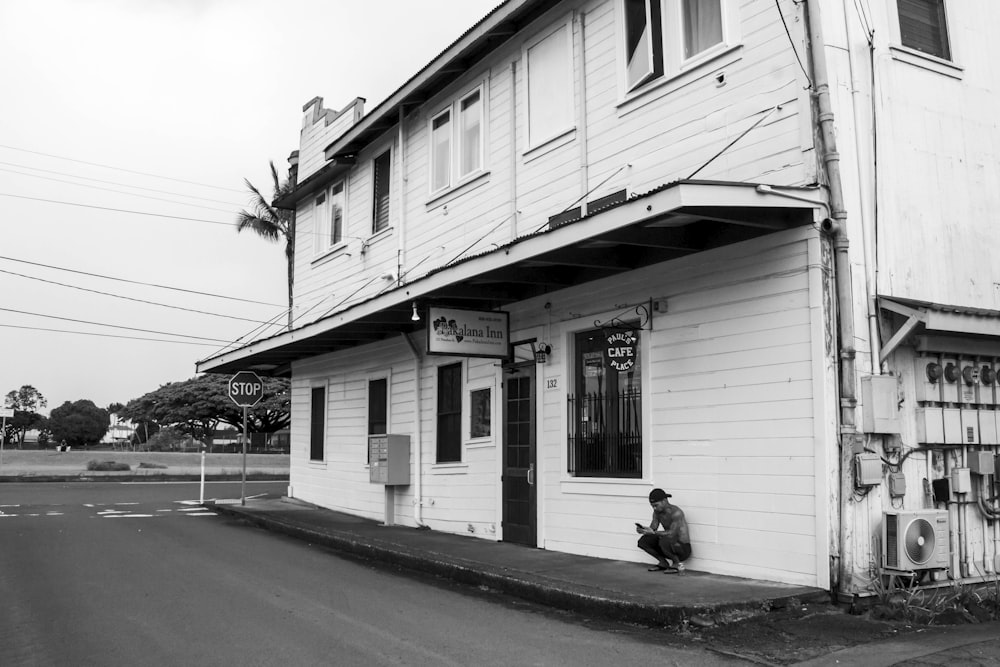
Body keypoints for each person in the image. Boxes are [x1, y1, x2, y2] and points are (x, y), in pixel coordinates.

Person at [636, 488, 691, 573]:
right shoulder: (657, 513)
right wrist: (644, 530)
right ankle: (663, 563)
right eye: (652, 506)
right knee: (644, 541)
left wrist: (653, 532)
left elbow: (672, 533)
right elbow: (653, 528)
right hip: (669, 543)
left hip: (683, 548)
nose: (654, 508)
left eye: (656, 505)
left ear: (664, 501)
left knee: (665, 539)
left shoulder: (676, 512)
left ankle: (677, 563)